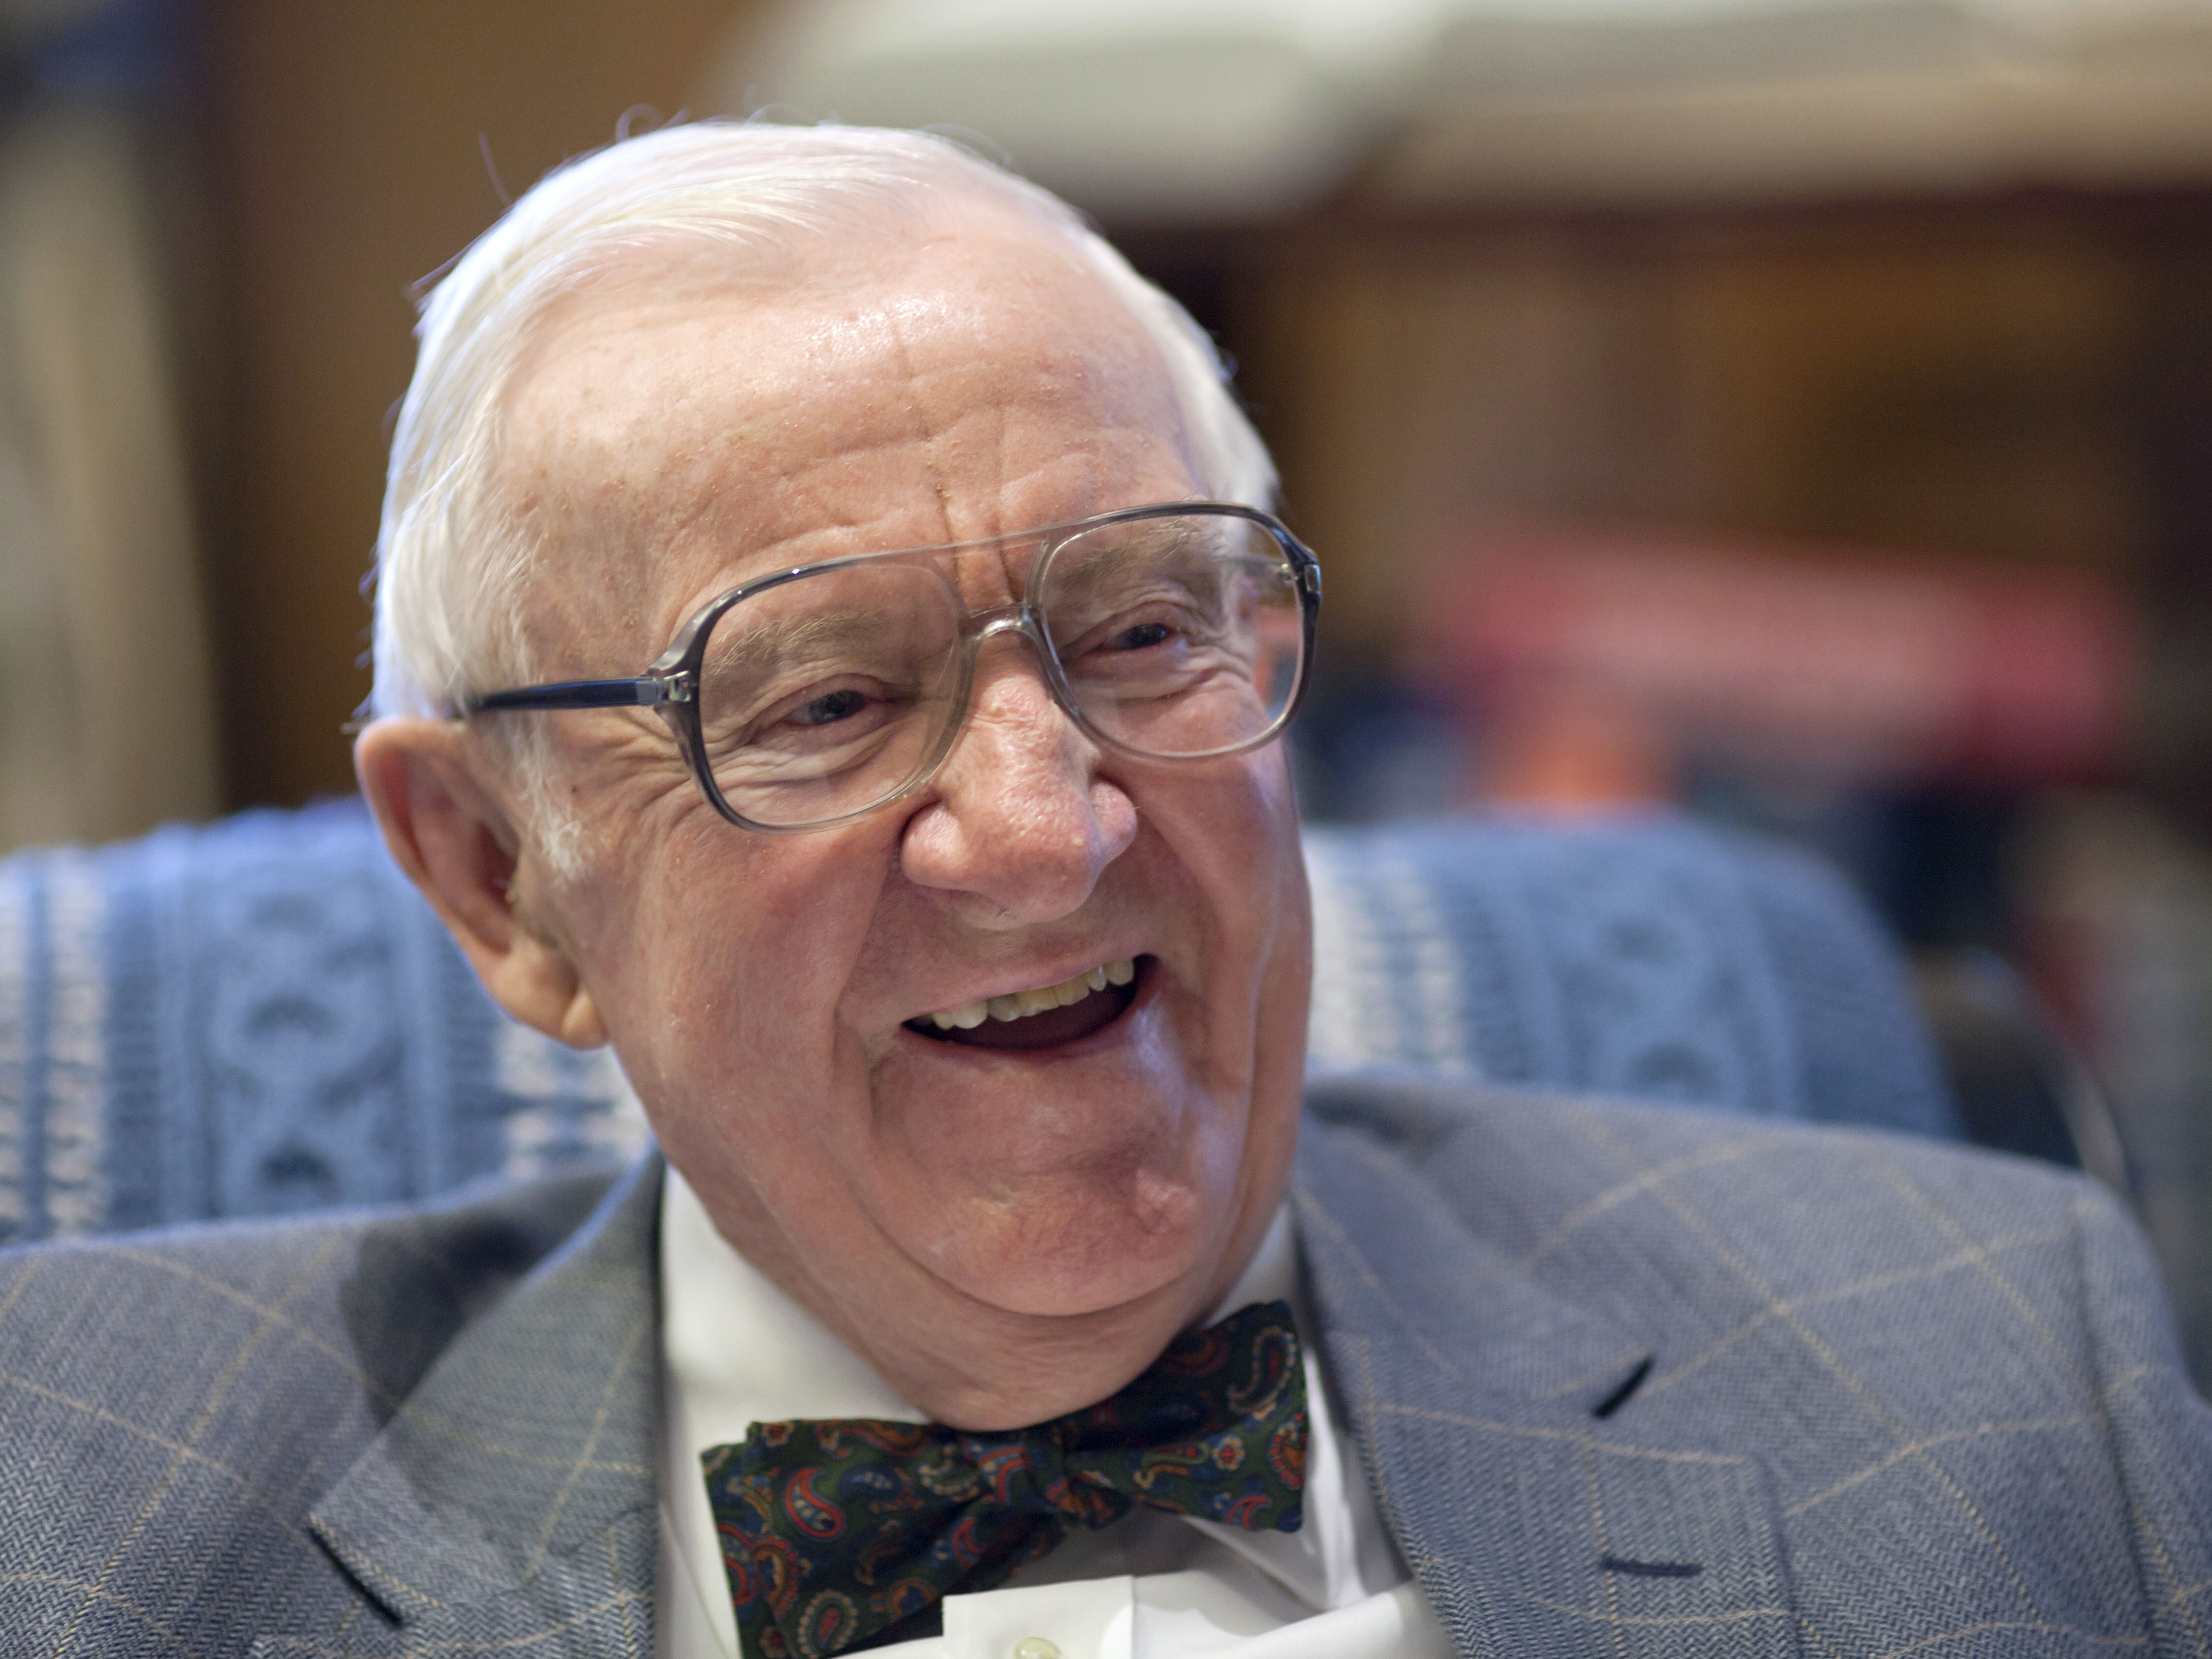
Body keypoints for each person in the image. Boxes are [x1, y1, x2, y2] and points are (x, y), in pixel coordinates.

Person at [0, 122, 2206, 1659]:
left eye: (1146, 631)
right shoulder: (72, 1498)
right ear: (502, 881)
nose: (1045, 830)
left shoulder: (1986, 1364)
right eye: (826, 699)